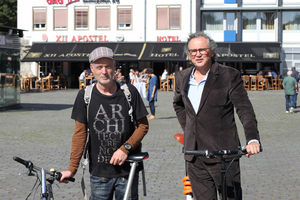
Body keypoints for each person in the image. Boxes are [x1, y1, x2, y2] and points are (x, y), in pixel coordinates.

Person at [173, 31, 261, 200]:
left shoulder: (229, 75)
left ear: (212, 51)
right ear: (189, 54)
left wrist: (252, 139)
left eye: (202, 50)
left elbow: (244, 109)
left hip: (223, 155)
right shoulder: (182, 77)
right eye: (193, 51)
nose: (197, 54)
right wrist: (190, 129)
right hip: (195, 156)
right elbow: (178, 104)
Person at [60, 46, 149, 200]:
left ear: (114, 67)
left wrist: (125, 148)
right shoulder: (84, 96)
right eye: (99, 67)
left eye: (108, 66)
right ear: (92, 69)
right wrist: (72, 169)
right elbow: (80, 134)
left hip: (127, 171)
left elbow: (143, 126)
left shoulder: (129, 92)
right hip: (99, 173)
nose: (104, 71)